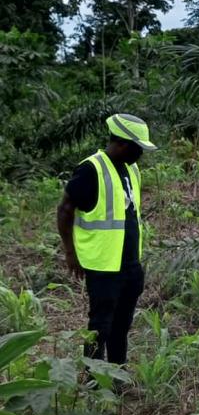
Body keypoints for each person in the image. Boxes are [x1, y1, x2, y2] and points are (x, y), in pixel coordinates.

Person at [57, 113, 157, 365]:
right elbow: (65, 209)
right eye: (138, 148)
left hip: (130, 264)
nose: (140, 154)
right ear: (122, 143)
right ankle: (92, 381)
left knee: (122, 326)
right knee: (100, 325)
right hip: (103, 266)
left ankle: (117, 376)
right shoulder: (91, 169)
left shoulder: (131, 169)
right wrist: (70, 253)